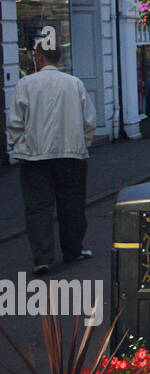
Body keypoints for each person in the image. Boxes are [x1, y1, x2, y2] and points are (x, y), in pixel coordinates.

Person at [6, 44, 96, 276]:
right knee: (72, 205)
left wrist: (18, 145)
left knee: (38, 208)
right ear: (59, 58)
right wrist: (82, 144)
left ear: (39, 57)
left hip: (35, 156)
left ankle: (42, 258)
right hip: (71, 155)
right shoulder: (74, 83)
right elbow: (89, 120)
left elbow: (15, 121)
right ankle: (73, 249)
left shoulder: (25, 84)